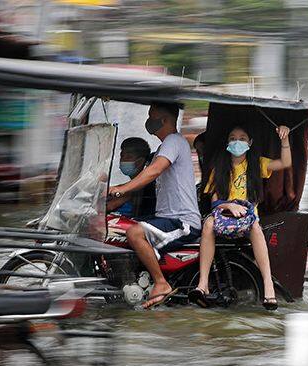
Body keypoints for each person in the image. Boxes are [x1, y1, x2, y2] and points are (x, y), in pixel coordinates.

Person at [188, 123, 292, 310]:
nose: (237, 142)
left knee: (256, 228)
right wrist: (229, 205)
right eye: (233, 139)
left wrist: (284, 140)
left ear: (250, 143)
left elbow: (285, 163)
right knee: (208, 225)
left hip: (248, 218)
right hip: (223, 217)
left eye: (242, 139)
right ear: (227, 143)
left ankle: (268, 284)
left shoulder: (257, 164)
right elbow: (214, 201)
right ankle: (202, 283)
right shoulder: (218, 167)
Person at [107, 102, 201, 308]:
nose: (148, 120)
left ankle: (161, 283)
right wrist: (107, 199)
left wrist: (120, 189)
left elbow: (154, 171)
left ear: (165, 120)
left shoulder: (174, 141)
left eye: (152, 116)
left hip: (182, 221)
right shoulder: (162, 148)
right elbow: (137, 185)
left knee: (134, 233)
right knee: (119, 227)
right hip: (165, 218)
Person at [106, 137, 152, 216]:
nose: (123, 160)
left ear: (140, 161)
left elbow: (109, 207)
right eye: (122, 156)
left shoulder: (138, 188)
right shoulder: (127, 186)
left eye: (128, 157)